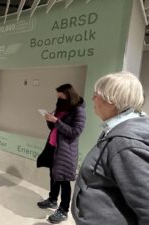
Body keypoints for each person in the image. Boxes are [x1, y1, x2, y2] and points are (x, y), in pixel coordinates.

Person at [71, 72, 149, 225]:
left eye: (96, 94)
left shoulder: (125, 143)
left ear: (111, 100)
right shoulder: (118, 130)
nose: (92, 99)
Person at [36, 83, 86, 224]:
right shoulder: (60, 106)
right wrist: (49, 121)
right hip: (53, 146)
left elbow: (75, 132)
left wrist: (57, 121)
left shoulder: (78, 110)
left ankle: (63, 210)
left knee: (63, 180)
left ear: (68, 94)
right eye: (57, 96)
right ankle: (52, 200)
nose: (58, 98)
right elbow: (54, 127)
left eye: (60, 95)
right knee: (53, 175)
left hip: (66, 151)